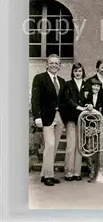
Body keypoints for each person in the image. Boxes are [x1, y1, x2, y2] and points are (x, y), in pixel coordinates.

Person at [31, 54, 66, 186]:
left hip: (60, 117)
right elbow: (35, 99)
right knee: (49, 145)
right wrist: (37, 117)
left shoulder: (61, 81)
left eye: (56, 63)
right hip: (46, 118)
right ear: (47, 64)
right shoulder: (40, 78)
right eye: (51, 63)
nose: (54, 65)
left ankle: (45, 174)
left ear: (59, 65)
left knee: (54, 147)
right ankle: (48, 176)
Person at [59, 62, 87, 182]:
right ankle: (68, 172)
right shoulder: (67, 84)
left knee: (79, 146)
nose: (78, 73)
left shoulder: (87, 85)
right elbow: (68, 99)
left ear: (83, 72)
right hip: (71, 119)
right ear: (72, 72)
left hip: (83, 119)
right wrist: (78, 107)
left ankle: (77, 172)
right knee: (71, 146)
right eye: (75, 71)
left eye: (80, 71)